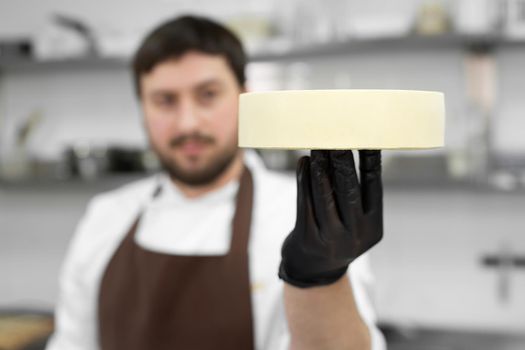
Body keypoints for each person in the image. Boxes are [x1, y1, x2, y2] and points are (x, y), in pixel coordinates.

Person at [46, 15, 386, 350]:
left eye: (208, 95)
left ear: (244, 98)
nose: (188, 123)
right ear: (143, 109)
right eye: (165, 101)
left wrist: (320, 280)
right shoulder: (107, 216)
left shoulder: (303, 216)